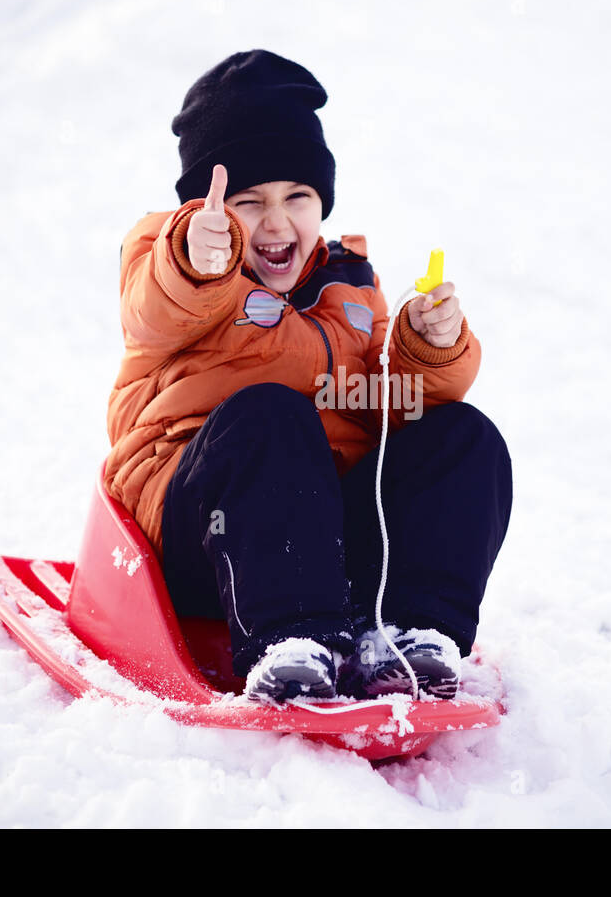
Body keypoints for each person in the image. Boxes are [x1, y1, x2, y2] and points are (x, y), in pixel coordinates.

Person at [104, 50, 512, 702]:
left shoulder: (350, 286)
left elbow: (393, 405)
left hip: (326, 542)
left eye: (297, 197)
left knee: (464, 436)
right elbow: (157, 301)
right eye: (247, 201)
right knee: (268, 411)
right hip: (207, 534)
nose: (274, 221)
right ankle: (291, 642)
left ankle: (412, 633)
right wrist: (194, 255)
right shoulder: (175, 263)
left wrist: (428, 348)